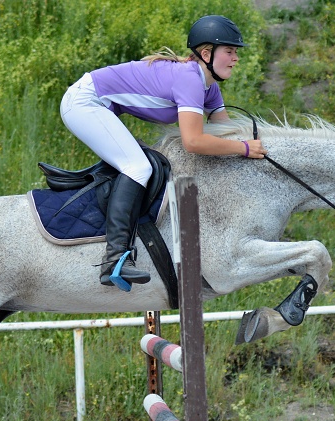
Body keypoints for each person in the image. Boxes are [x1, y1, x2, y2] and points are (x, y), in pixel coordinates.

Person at [60, 15, 268, 290]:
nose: (235, 58)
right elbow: (193, 141)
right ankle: (114, 260)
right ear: (206, 54)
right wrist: (243, 148)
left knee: (145, 164)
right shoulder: (190, 80)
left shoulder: (210, 88)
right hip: (84, 103)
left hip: (102, 106)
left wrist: (252, 151)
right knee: (138, 167)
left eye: (235, 52)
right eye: (229, 51)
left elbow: (225, 134)